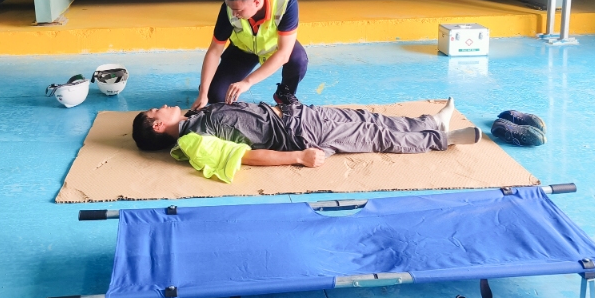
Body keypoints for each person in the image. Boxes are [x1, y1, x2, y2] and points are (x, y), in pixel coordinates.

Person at [132, 98, 481, 182]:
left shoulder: (193, 118)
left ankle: (430, 122)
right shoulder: (194, 141)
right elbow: (244, 157)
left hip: (296, 113)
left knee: (368, 119)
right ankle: (442, 138)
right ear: (158, 126)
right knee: (372, 135)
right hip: (300, 133)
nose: (161, 106)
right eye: (155, 111)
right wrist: (299, 157)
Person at [191, 0, 308, 110]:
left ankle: (284, 93)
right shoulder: (230, 8)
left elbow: (283, 54)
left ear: (256, 2)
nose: (233, 14)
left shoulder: (285, 2)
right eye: (230, 8)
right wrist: (203, 93)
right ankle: (210, 86)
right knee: (215, 95)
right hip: (243, 49)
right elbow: (214, 51)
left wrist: (247, 82)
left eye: (238, 10)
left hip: (274, 47)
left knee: (298, 59)